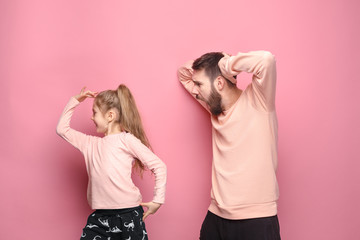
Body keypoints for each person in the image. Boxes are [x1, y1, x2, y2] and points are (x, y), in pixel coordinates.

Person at [178, 51, 281, 239]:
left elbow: (266, 60)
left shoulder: (258, 101)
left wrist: (226, 65)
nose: (195, 90)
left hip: (256, 219)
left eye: (199, 84)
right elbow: (184, 73)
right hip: (216, 217)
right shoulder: (214, 108)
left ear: (219, 83)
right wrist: (213, 66)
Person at [56, 84, 167, 240]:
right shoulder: (90, 144)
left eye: (94, 113)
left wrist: (158, 200)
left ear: (110, 116)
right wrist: (75, 100)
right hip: (101, 217)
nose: (91, 117)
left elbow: (159, 166)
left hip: (130, 215)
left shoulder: (126, 140)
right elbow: (62, 129)